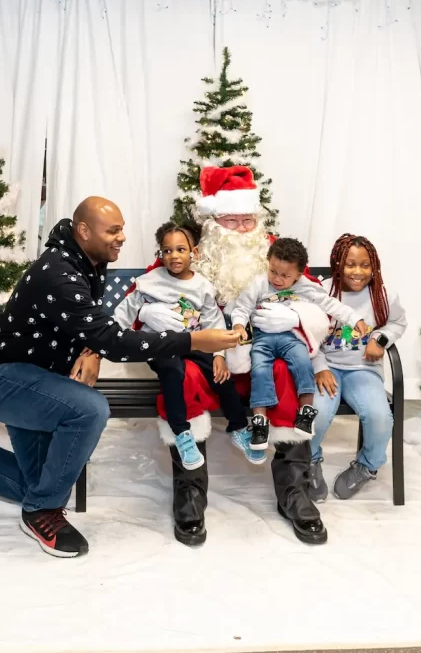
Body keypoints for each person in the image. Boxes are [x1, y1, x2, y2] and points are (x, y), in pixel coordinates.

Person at [0, 197, 240, 558]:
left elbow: (90, 326)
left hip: (39, 380)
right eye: (113, 230)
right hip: (1, 379)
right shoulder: (58, 272)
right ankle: (42, 513)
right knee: (89, 409)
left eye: (122, 229)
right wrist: (194, 339)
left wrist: (91, 352)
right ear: (83, 231)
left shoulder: (88, 260)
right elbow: (110, 337)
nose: (121, 238)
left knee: (37, 483)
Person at [129, 165, 329, 546]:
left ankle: (294, 490)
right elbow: (136, 301)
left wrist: (299, 314)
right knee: (183, 376)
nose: (240, 228)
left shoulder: (273, 253)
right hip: (206, 362)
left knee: (287, 374)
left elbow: (321, 302)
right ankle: (189, 491)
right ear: (211, 221)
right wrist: (146, 315)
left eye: (246, 219)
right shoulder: (186, 259)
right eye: (230, 218)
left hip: (263, 359)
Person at [114, 221, 260, 476]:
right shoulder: (149, 281)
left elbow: (213, 321)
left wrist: (218, 356)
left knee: (220, 376)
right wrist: (113, 335)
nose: (174, 256)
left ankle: (238, 428)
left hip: (193, 342)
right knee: (173, 372)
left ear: (195, 253)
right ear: (160, 254)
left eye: (181, 249)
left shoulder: (202, 286)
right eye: (167, 251)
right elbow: (124, 312)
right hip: (159, 345)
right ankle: (181, 433)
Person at [231, 237, 368, 449]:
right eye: (273, 271)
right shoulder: (259, 284)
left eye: (285, 275)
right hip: (263, 338)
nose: (277, 279)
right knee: (259, 370)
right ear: (268, 262)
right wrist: (239, 325)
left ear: (299, 273)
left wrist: (354, 318)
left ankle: (305, 412)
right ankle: (260, 421)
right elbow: (242, 307)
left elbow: (330, 305)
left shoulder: (307, 286)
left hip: (292, 337)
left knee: (303, 363)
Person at [309, 234, 407, 501]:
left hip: (363, 370)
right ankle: (310, 461)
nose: (358, 272)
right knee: (314, 414)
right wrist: (319, 366)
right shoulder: (321, 291)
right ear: (337, 264)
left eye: (365, 265)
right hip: (325, 368)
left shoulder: (383, 295)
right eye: (350, 264)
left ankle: (366, 466)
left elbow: (397, 323)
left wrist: (380, 339)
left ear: (374, 266)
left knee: (379, 416)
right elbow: (305, 334)